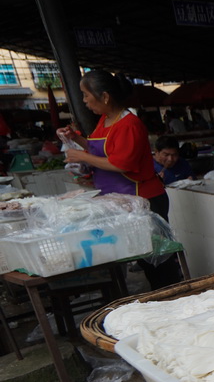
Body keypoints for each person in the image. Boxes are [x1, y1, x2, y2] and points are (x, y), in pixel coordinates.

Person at [60, 70, 181, 289]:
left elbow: (122, 164)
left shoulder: (129, 124)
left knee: (158, 262)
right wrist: (76, 139)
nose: (84, 101)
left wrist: (82, 156)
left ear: (105, 97)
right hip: (123, 202)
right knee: (143, 258)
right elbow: (99, 150)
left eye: (86, 95)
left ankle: (174, 295)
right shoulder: (105, 120)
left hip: (144, 200)